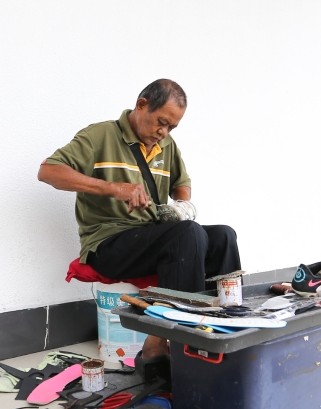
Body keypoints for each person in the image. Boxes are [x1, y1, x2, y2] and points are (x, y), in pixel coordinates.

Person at [38, 79, 241, 357]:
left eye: (171, 127)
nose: (163, 132)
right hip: (107, 244)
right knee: (188, 233)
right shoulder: (99, 135)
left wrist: (182, 206)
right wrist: (114, 188)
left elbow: (181, 183)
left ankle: (224, 328)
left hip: (149, 236)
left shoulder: (166, 145)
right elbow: (48, 171)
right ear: (142, 105)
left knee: (223, 235)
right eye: (161, 122)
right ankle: (177, 342)